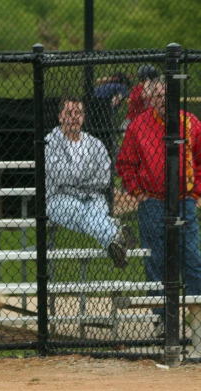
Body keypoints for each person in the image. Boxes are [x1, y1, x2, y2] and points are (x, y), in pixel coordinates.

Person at [116, 78, 201, 334]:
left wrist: (196, 192)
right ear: (151, 100)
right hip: (151, 202)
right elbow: (125, 164)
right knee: (156, 262)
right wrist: (137, 191)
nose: (163, 101)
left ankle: (197, 320)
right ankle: (163, 320)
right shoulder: (138, 126)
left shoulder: (191, 123)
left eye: (168, 95)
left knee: (193, 259)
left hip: (184, 202)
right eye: (158, 96)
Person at [46, 98, 130, 269]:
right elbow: (59, 176)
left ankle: (115, 241)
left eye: (78, 113)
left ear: (83, 116)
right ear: (60, 117)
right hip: (58, 199)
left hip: (93, 197)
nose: (74, 117)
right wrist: (88, 173)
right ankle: (114, 235)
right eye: (69, 114)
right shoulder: (51, 142)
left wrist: (75, 176)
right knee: (80, 210)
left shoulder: (94, 144)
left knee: (93, 211)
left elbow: (105, 178)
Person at [124, 65, 160, 129]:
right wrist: (148, 82)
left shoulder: (152, 89)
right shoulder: (137, 89)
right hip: (133, 121)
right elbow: (146, 94)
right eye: (152, 79)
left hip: (146, 121)